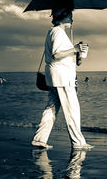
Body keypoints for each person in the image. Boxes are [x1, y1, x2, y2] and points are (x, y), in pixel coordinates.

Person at [31, 9, 92, 150]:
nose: (72, 19)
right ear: (64, 17)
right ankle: (78, 142)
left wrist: (79, 55)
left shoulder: (53, 32)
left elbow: (67, 58)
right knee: (72, 109)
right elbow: (56, 54)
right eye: (70, 16)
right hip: (62, 77)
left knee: (51, 107)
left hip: (55, 77)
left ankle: (39, 139)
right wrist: (75, 48)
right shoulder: (58, 32)